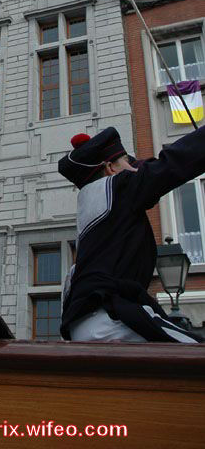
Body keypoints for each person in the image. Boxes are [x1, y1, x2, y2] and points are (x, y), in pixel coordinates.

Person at [59, 127, 205, 343]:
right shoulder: (119, 188)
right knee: (194, 352)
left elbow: (146, 170)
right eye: (128, 162)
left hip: (84, 325)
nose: (134, 168)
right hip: (111, 320)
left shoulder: (94, 203)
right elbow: (171, 165)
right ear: (110, 168)